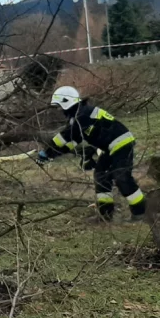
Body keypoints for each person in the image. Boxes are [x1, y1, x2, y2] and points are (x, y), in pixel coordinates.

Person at [36, 86, 145, 222]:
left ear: (66, 102)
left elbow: (65, 136)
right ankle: (105, 215)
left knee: (122, 177)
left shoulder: (83, 115)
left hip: (122, 144)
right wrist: (52, 154)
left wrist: (46, 151)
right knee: (101, 177)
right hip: (110, 148)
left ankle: (141, 213)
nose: (59, 110)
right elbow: (73, 141)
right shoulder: (78, 117)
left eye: (59, 106)